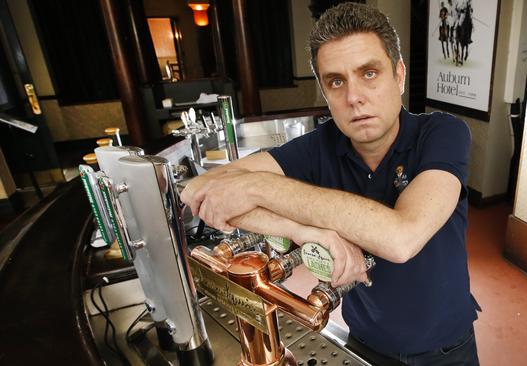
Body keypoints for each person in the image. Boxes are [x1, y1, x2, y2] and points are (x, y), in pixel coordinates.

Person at [181, 3, 480, 365]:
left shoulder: (442, 133)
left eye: (369, 73)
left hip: (445, 349)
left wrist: (258, 187)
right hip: (363, 343)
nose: (353, 97)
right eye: (336, 81)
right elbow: (198, 190)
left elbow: (401, 238)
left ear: (399, 75)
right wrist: (304, 231)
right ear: (324, 92)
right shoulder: (320, 147)